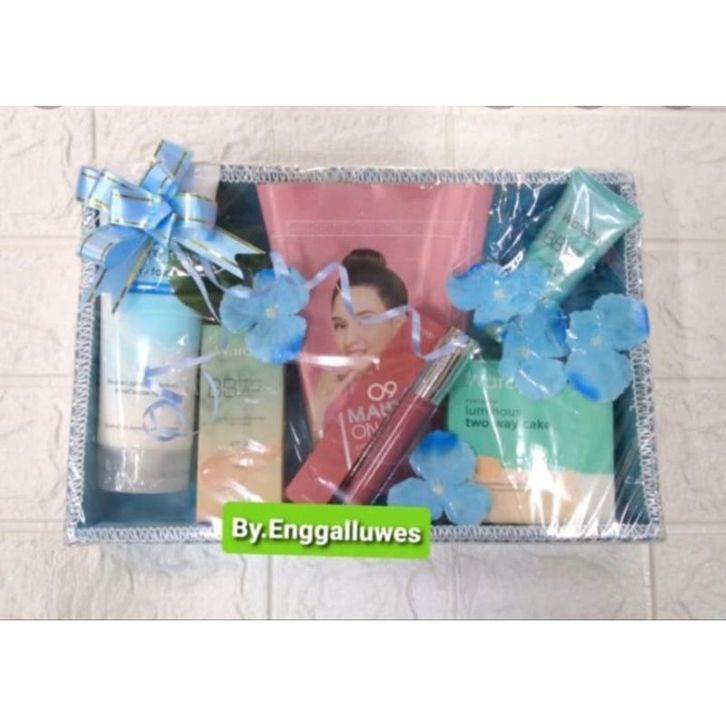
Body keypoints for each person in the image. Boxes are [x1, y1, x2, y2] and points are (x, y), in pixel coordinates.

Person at [310, 249, 409, 439]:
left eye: (365, 320)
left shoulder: (424, 384)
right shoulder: (326, 391)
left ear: (398, 324)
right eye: (340, 325)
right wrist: (318, 410)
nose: (349, 339)